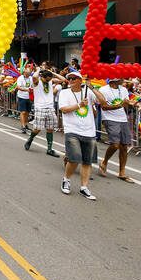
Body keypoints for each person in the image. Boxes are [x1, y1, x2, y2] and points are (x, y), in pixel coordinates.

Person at [58, 71, 107, 201]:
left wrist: (91, 87)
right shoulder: (64, 92)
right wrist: (80, 104)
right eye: (70, 78)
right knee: (74, 159)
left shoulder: (89, 92)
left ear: (81, 80)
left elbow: (103, 101)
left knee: (87, 161)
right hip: (72, 130)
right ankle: (66, 179)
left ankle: (84, 187)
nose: (71, 80)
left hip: (89, 131)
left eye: (74, 78)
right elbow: (63, 109)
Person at [98, 78, 134, 182]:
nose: (123, 80)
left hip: (122, 119)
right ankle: (104, 162)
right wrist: (120, 105)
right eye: (121, 78)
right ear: (114, 79)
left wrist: (131, 104)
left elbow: (126, 105)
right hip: (109, 118)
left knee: (124, 145)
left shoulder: (123, 89)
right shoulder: (103, 89)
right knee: (115, 144)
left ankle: (122, 172)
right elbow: (103, 107)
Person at [25, 69, 64, 156]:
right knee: (37, 129)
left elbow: (63, 79)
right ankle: (30, 140)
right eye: (47, 79)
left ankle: (49, 149)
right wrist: (38, 70)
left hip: (50, 108)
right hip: (40, 108)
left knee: (50, 129)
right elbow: (35, 76)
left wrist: (52, 73)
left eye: (50, 79)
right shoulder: (36, 82)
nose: (49, 81)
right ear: (42, 77)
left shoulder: (50, 81)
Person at [15, 67, 33, 134]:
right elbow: (19, 87)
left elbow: (33, 86)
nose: (28, 75)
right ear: (24, 73)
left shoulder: (31, 78)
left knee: (28, 112)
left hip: (29, 97)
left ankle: (25, 124)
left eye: (29, 73)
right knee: (23, 112)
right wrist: (27, 90)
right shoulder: (20, 78)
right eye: (27, 73)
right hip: (22, 96)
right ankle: (23, 126)